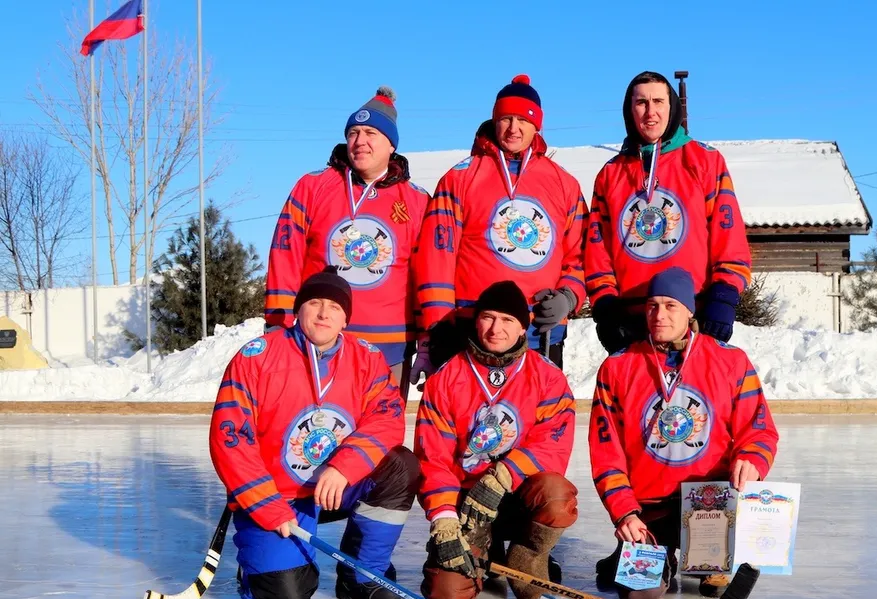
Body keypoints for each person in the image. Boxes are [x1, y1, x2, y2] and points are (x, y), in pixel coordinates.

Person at [210, 268, 420, 599]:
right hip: (281, 496)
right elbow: (231, 440)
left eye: (335, 307)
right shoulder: (256, 358)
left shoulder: (366, 358)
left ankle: (362, 573)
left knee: (400, 466)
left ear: (345, 319)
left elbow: (388, 417)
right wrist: (268, 506)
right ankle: (257, 569)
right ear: (298, 310)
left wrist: (344, 467)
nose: (324, 313)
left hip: (336, 486)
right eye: (315, 303)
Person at [589, 267, 778, 599]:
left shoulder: (731, 361)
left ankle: (707, 558)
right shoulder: (617, 367)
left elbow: (759, 428)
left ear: (690, 310)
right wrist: (624, 513)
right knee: (638, 596)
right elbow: (606, 453)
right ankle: (642, 551)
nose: (659, 315)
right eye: (652, 305)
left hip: (708, 504)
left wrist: (752, 459)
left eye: (670, 305)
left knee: (714, 584)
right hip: (647, 509)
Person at [411, 75, 588, 381]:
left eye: (523, 120)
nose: (513, 128)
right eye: (506, 118)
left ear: (537, 126)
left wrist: (569, 297)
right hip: (470, 329)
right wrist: (438, 327)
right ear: (494, 121)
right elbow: (437, 256)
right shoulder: (460, 178)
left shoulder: (564, 184)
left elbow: (580, 255)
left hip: (539, 332)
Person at [413, 280, 578, 599]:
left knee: (556, 495)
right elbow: (433, 456)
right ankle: (482, 552)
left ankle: (527, 554)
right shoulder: (446, 377)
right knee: (447, 594)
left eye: (507, 320)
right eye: (488, 317)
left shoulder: (547, 376)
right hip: (468, 506)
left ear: (522, 328)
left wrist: (504, 475)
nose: (495, 329)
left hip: (518, 498)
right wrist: (444, 518)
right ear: (476, 321)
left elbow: (552, 443)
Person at [264, 87, 430, 400]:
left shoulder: (417, 200)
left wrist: (427, 338)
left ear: (391, 144)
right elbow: (286, 255)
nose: (360, 141)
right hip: (320, 336)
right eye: (353, 133)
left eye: (371, 133)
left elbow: (426, 273)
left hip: (390, 343)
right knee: (320, 424)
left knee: (382, 427)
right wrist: (278, 321)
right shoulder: (313, 186)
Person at [585, 71, 753, 352]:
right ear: (629, 110)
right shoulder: (610, 174)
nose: (650, 112)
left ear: (672, 106)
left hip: (692, 313)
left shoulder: (705, 161)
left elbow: (728, 235)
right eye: (641, 103)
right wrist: (605, 304)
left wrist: (724, 295)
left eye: (658, 102)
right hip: (630, 319)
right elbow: (597, 248)